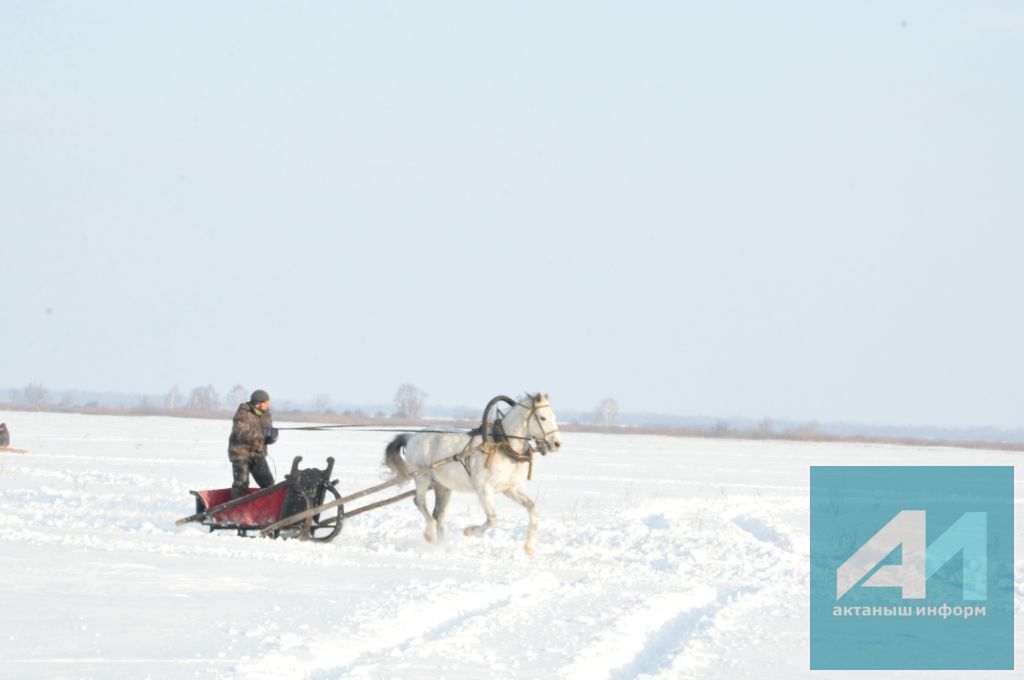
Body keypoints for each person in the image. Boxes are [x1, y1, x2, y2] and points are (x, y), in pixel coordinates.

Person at [227, 389, 279, 499]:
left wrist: (272, 436)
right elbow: (241, 433)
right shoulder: (243, 413)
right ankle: (234, 509)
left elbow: (266, 438)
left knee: (268, 483)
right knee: (241, 483)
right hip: (240, 453)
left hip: (257, 453)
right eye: (267, 403)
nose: (268, 405)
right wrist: (262, 433)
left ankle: (270, 507)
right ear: (259, 403)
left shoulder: (266, 415)